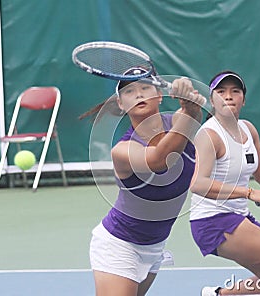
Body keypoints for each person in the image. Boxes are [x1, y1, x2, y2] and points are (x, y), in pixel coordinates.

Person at [83, 67, 203, 296]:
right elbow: (159, 160)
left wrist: (191, 104)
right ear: (120, 104)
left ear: (159, 95)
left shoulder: (179, 120)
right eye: (129, 91)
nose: (138, 94)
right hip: (118, 245)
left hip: (155, 246)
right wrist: (190, 110)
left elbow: (194, 119)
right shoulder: (122, 150)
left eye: (146, 87)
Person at [189, 70, 260, 295]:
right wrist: (249, 193)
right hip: (211, 221)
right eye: (221, 92)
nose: (228, 96)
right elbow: (198, 184)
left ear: (244, 98)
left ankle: (218, 294)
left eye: (235, 91)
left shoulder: (248, 129)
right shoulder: (209, 135)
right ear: (212, 100)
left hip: (236, 216)